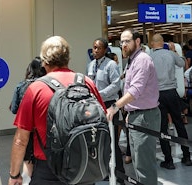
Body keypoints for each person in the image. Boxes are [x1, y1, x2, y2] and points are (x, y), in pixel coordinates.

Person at [8, 36, 106, 185]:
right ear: (68, 58)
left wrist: (14, 175)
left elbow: (21, 140)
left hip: (48, 169)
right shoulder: (87, 83)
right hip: (83, 167)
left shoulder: (36, 89)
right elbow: (102, 119)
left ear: (44, 61)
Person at [106, 30, 160, 185]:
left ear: (137, 42)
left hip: (145, 117)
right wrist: (130, 111)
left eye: (127, 41)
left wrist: (115, 107)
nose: (123, 44)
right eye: (121, 41)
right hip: (138, 115)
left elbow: (135, 90)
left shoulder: (142, 60)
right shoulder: (132, 60)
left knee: (144, 165)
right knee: (138, 161)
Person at [149, 34, 192, 168]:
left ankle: (169, 160)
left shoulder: (149, 57)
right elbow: (181, 64)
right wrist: (174, 51)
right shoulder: (170, 54)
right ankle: (187, 157)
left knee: (162, 127)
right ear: (163, 43)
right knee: (179, 123)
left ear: (151, 43)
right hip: (172, 92)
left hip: (157, 94)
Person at [86, 37, 124, 176]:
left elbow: (116, 85)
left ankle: (119, 174)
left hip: (109, 104)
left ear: (105, 50)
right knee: (98, 140)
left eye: (98, 48)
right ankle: (103, 171)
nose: (94, 51)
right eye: (93, 47)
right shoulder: (91, 65)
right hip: (95, 105)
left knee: (112, 141)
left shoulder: (111, 65)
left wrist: (99, 94)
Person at [10, 57, 46, 178]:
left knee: (27, 165)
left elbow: (14, 109)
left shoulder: (21, 86)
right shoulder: (48, 85)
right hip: (45, 131)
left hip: (27, 131)